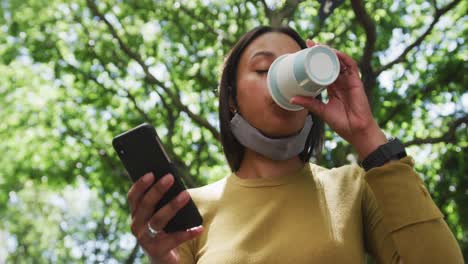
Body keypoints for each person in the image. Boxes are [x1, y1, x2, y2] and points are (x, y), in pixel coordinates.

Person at [126, 26, 463, 263]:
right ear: (231, 97)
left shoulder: (352, 187)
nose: (285, 81)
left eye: (297, 69)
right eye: (263, 69)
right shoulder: (191, 212)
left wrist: (366, 133)